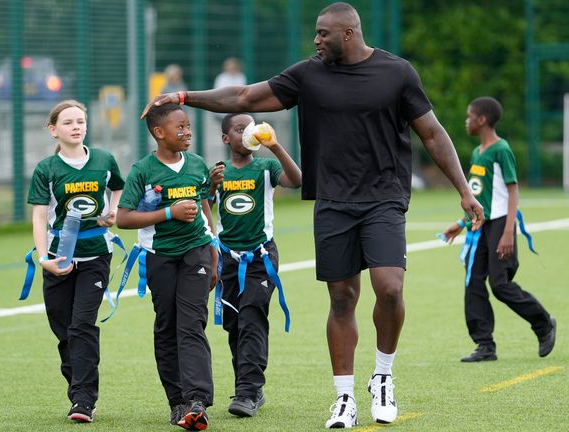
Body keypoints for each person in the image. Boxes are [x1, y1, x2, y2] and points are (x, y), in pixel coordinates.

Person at [142, 2, 483, 428]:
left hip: (383, 198)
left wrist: (464, 191)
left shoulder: (397, 73)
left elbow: (432, 133)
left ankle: (382, 376)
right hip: (332, 201)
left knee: (389, 287)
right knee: (342, 297)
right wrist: (183, 96)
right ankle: (344, 399)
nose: (316, 40)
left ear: (348, 34)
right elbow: (245, 96)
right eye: (315, 34)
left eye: (323, 33)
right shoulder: (308, 74)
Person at [116, 104, 218, 431]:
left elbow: (204, 207)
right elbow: (123, 218)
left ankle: (198, 402)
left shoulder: (198, 164)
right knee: (168, 326)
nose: (187, 132)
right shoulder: (143, 171)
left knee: (192, 324)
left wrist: (214, 249)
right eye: (180, 127)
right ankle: (177, 402)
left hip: (196, 253)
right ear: (159, 133)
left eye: (188, 126)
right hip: (159, 257)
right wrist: (168, 213)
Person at [27, 100, 124, 423]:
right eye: (67, 122)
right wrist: (44, 259)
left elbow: (117, 188)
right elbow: (40, 216)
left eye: (80, 121)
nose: (76, 127)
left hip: (96, 256)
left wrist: (112, 212)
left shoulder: (104, 159)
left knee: (82, 325)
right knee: (64, 329)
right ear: (53, 130)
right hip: (58, 258)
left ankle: (83, 400)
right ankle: (78, 386)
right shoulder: (47, 169)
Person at [442, 97, 556, 363]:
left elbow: (513, 192)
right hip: (478, 226)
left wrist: (508, 232)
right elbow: (478, 195)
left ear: (482, 120)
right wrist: (461, 223)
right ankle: (485, 345)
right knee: (473, 282)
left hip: (500, 224)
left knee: (500, 285)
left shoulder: (501, 149)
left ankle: (543, 323)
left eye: (470, 116)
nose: (466, 120)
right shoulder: (477, 152)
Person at [208, 113, 301, 418]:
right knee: (234, 324)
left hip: (261, 258)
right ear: (226, 139)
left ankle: (247, 391)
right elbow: (204, 206)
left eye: (251, 127)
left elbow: (297, 180)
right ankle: (252, 389)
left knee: (251, 316)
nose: (247, 132)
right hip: (227, 260)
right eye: (239, 129)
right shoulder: (219, 173)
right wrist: (209, 187)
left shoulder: (266, 166)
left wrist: (275, 147)